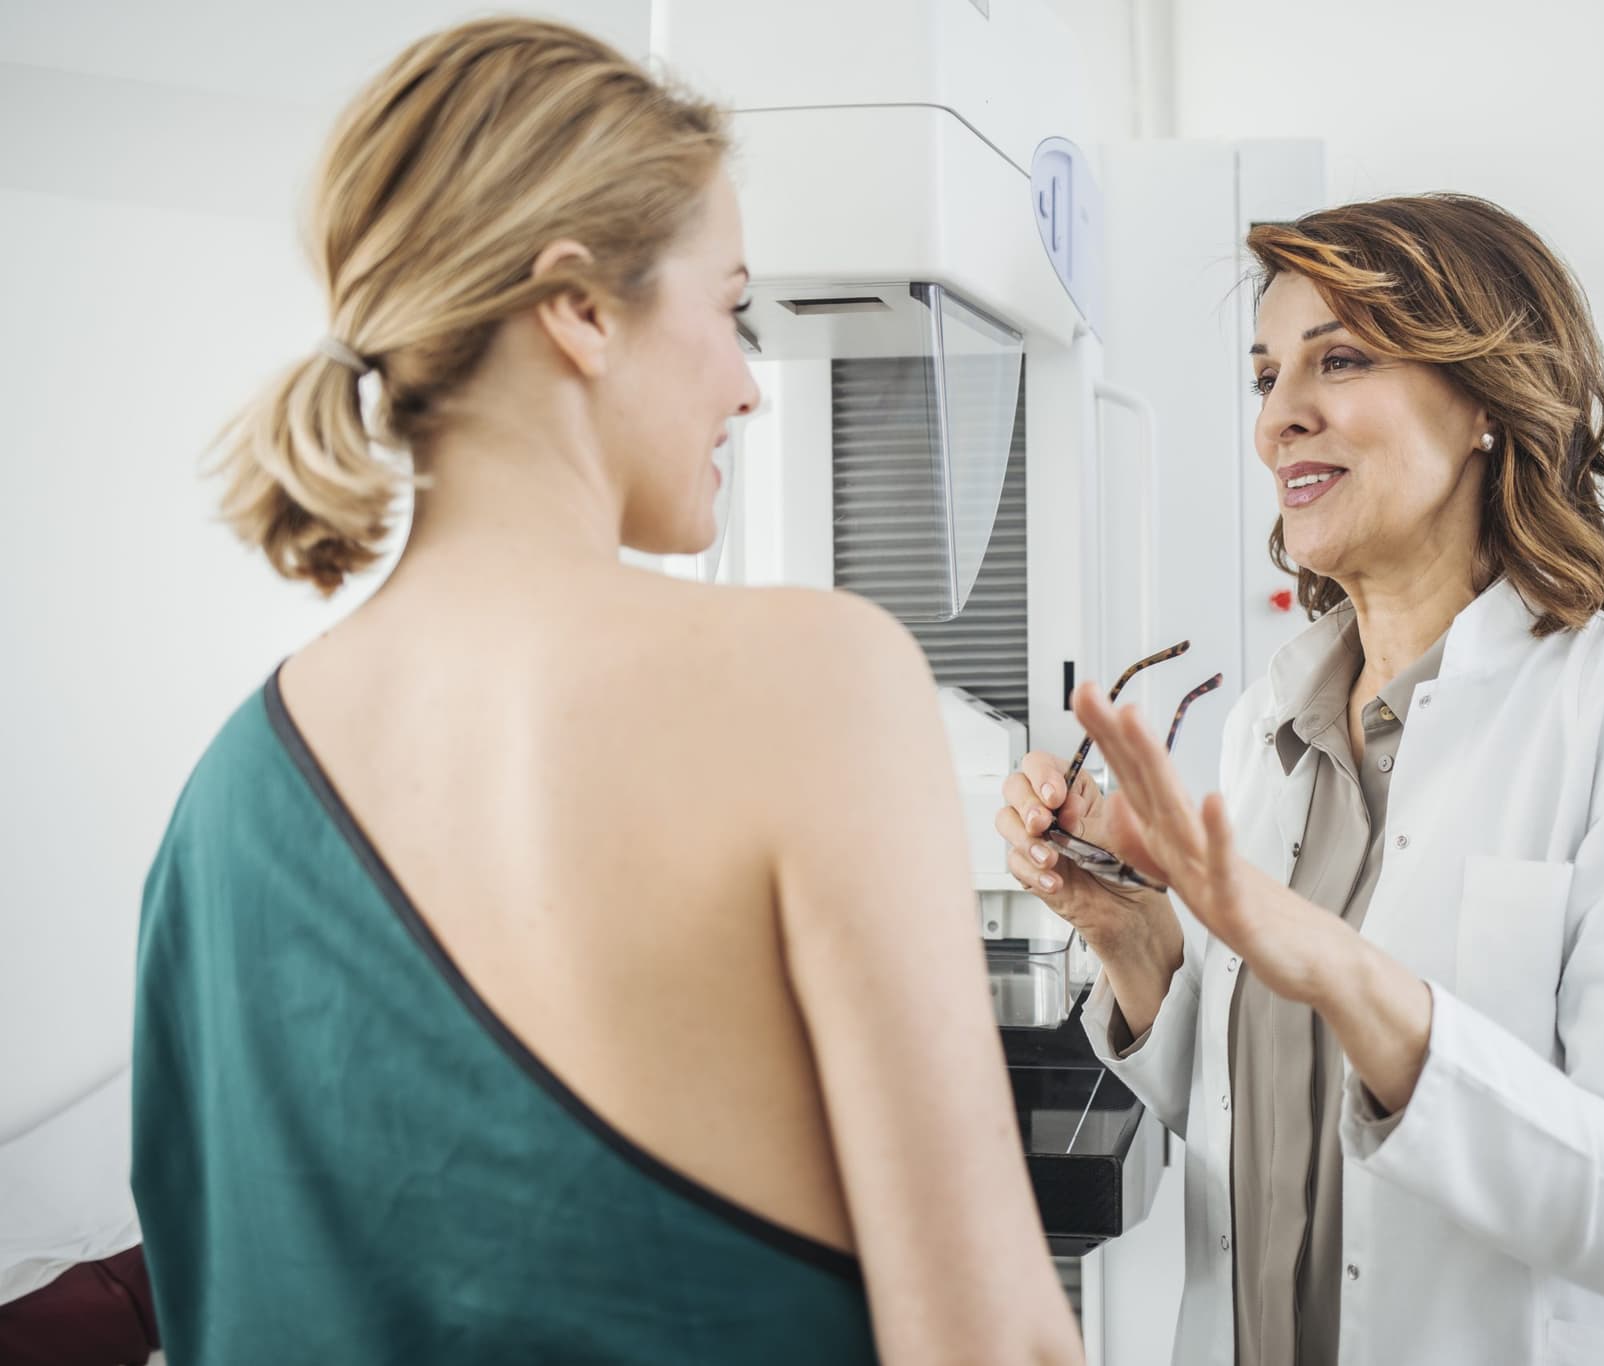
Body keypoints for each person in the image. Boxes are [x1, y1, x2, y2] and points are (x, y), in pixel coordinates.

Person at [130, 19, 1080, 1365]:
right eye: (729, 307)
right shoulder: (820, 681)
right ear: (577, 305)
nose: (747, 385)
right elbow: (994, 1348)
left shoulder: (223, 797)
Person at [999, 195, 1604, 1365]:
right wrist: (1133, 934)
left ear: (1484, 405)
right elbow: (1243, 1111)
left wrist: (1346, 971)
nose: (1276, 422)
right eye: (1263, 378)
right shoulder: (1270, 721)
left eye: (1338, 360)